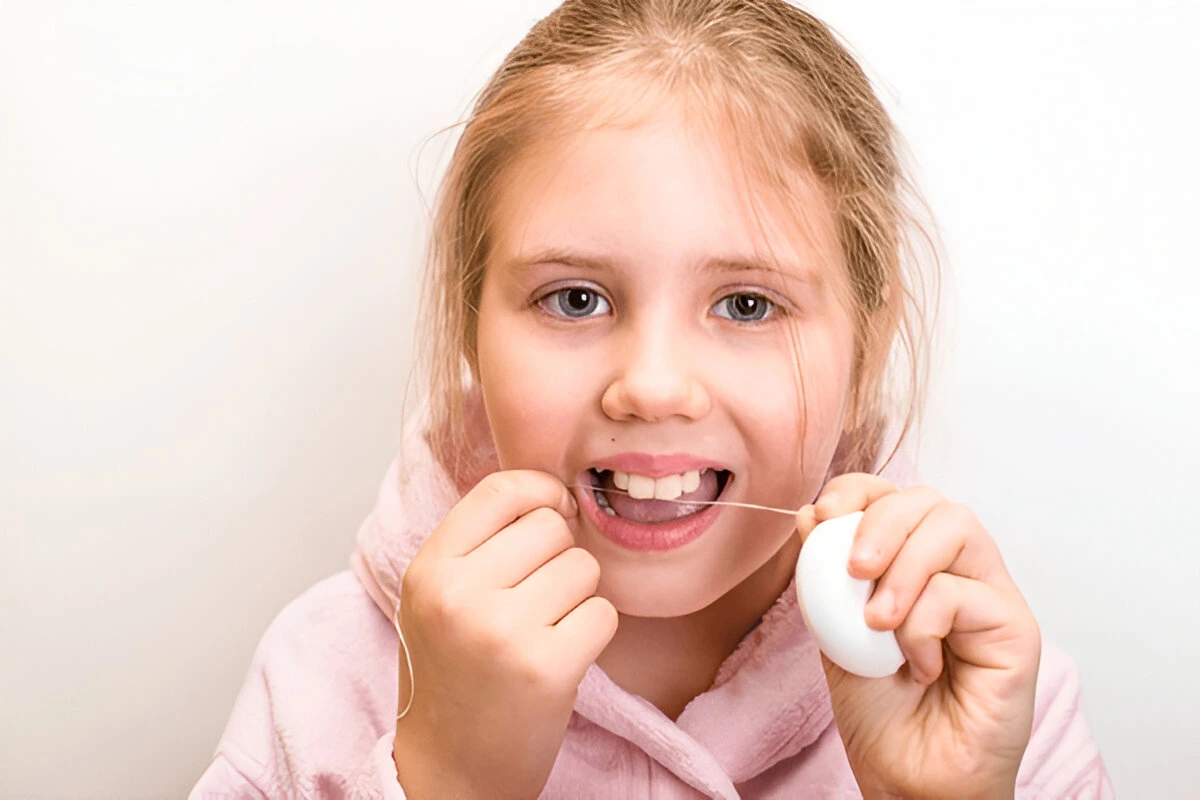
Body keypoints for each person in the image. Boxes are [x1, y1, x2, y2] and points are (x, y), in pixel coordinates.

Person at [191, 1, 1113, 797]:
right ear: (473, 327)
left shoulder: (991, 705)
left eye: (747, 305)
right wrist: (447, 783)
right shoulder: (323, 679)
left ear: (866, 346)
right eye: (575, 299)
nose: (653, 386)